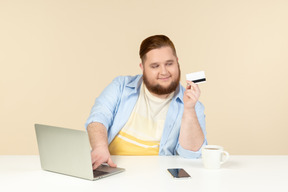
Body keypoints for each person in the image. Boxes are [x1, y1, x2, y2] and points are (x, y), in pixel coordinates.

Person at [85, 35, 207, 169]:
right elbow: (98, 118)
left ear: (177, 62)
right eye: (155, 66)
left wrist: (189, 109)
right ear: (142, 68)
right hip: (113, 169)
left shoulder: (193, 105)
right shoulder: (120, 86)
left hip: (157, 177)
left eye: (169, 63)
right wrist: (100, 147)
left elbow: (192, 155)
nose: (164, 72)